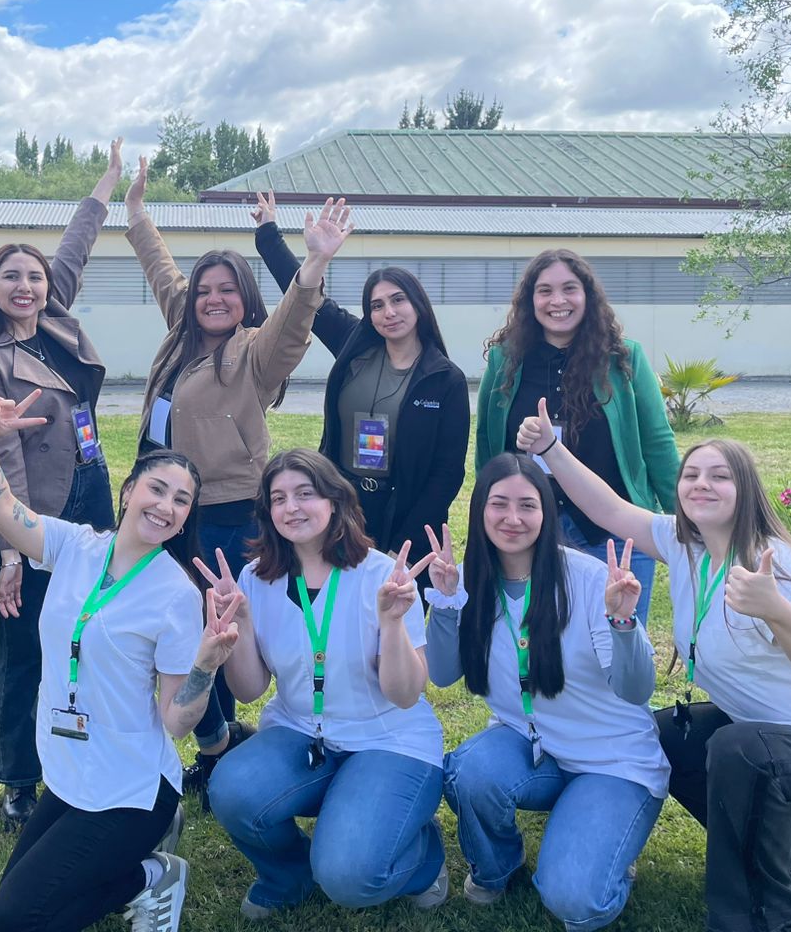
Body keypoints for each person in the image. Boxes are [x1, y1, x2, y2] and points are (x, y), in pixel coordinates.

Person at [517, 408, 791, 932]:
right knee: (666, 734)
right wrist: (549, 448)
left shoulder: (773, 562)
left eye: (720, 476)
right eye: (692, 474)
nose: (702, 484)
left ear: (746, 491)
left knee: (737, 750)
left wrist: (776, 608)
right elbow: (608, 508)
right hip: (779, 743)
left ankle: (758, 918)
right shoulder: (687, 547)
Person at [0, 393, 240, 932]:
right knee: (19, 903)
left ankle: (152, 874)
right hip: (71, 775)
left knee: (12, 920)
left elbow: (176, 722)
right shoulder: (75, 545)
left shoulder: (175, 595)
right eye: (157, 489)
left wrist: (205, 666)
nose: (166, 506)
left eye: (181, 500)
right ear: (127, 491)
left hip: (132, 789)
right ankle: (142, 871)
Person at [124, 160, 351, 785]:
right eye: (205, 290)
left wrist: (314, 264)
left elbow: (294, 323)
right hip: (166, 508)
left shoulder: (254, 350)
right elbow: (161, 269)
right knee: (178, 622)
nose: (213, 299)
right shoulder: (181, 331)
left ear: (245, 298)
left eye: (227, 290)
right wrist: (137, 213)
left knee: (211, 625)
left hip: (224, 510)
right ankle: (216, 736)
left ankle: (215, 746)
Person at [425, 452, 669, 928]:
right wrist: (448, 604)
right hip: (532, 744)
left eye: (527, 505)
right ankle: (497, 867)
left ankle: (607, 846)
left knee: (574, 900)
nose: (512, 518)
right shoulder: (470, 580)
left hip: (610, 761)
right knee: (470, 772)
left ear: (546, 512)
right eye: (499, 504)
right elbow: (442, 673)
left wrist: (623, 623)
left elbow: (637, 689)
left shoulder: (588, 579)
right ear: (479, 510)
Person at [203, 449, 450, 918]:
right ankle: (287, 876)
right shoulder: (255, 578)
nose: (291, 507)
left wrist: (391, 623)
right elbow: (249, 691)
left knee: (349, 876)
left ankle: (424, 858)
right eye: (279, 498)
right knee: (232, 791)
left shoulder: (383, 576)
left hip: (386, 738)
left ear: (334, 501)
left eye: (305, 494)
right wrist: (242, 625)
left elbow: (404, 695)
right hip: (301, 730)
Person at [0, 140, 123, 828]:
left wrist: (106, 185)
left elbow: (75, 248)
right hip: (28, 512)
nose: (25, 286)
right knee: (25, 644)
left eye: (33, 276)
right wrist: (13, 551)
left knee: (89, 631)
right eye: (11, 278)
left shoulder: (55, 322)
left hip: (92, 491)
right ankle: (20, 777)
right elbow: (1, 458)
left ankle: (79, 755)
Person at [251, 191, 468, 588]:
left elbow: (447, 474)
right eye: (377, 305)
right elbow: (306, 297)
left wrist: (402, 546)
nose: (389, 312)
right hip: (341, 506)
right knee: (334, 605)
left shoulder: (445, 380)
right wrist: (270, 235)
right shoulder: (355, 346)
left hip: (405, 516)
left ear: (418, 304)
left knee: (392, 613)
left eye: (398, 300)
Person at [475, 249, 678, 624]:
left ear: (587, 295)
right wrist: (488, 515)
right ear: (530, 300)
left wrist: (687, 527)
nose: (558, 301)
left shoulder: (624, 358)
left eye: (569, 289)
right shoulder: (505, 360)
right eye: (545, 291)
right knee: (541, 640)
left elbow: (658, 444)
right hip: (534, 531)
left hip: (616, 531)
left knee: (620, 636)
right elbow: (488, 446)